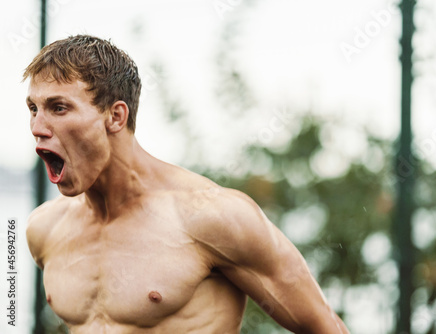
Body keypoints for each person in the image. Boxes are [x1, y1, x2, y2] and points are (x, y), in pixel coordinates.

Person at [24, 35, 349, 334]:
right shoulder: (45, 229)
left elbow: (326, 328)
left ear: (116, 116)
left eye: (59, 108)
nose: (38, 127)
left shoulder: (213, 216)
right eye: (33, 109)